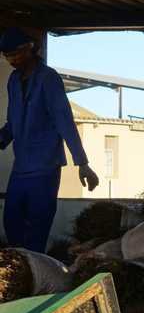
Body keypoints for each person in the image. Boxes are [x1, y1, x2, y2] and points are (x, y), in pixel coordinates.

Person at [0, 28, 99, 253]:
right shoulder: (13, 81)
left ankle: (34, 277)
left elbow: (65, 121)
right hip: (21, 168)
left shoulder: (48, 78)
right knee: (12, 223)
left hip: (45, 167)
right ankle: (15, 272)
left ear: (30, 49)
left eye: (15, 54)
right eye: (7, 56)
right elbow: (12, 125)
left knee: (37, 229)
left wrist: (82, 163)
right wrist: (3, 137)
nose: (12, 60)